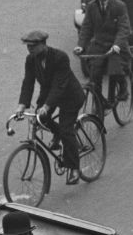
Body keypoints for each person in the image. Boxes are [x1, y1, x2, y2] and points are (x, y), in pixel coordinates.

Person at [16, 30, 84, 185]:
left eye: (33, 46)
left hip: (70, 96)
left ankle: (74, 169)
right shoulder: (31, 60)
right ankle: (58, 134)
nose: (30, 49)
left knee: (67, 130)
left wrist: (46, 106)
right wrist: (21, 105)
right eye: (28, 47)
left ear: (43, 44)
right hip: (49, 95)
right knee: (39, 120)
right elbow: (28, 82)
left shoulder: (60, 57)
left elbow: (59, 85)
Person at [74, 0, 131, 103]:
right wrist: (81, 45)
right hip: (99, 45)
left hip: (116, 46)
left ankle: (123, 88)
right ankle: (100, 101)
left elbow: (124, 28)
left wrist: (117, 45)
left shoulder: (119, 6)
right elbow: (86, 28)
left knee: (115, 68)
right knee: (94, 74)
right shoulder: (91, 6)